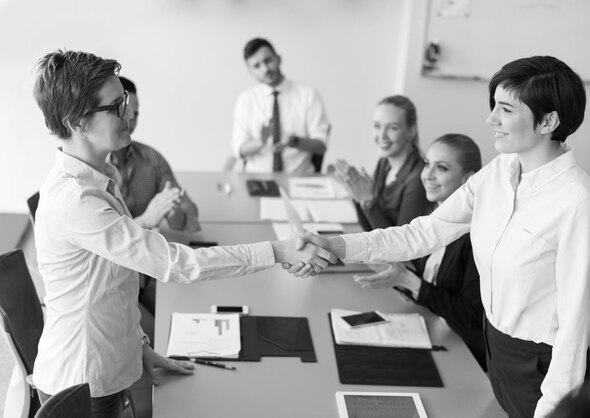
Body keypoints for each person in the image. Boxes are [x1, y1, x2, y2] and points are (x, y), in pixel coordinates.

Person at [291, 56, 590, 418]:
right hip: (495, 346)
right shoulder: (500, 172)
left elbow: (575, 326)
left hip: (541, 363)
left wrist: (555, 411)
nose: (491, 119)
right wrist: (338, 246)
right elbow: (423, 233)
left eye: (505, 109)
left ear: (548, 121)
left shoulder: (579, 205)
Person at [31, 49, 334, 417]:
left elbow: (112, 285)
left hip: (106, 365)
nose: (127, 115)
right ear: (77, 122)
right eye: (115, 108)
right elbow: (172, 263)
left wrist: (139, 346)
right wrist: (277, 251)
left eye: (123, 101)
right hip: (83, 384)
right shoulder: (76, 200)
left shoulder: (100, 177)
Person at [353, 133, 486, 371]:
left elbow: (470, 317)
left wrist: (411, 282)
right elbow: (430, 284)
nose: (428, 175)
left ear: (469, 180)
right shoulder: (431, 213)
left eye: (442, 168)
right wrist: (404, 281)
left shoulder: (476, 236)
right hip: (432, 329)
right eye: (427, 164)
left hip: (464, 354)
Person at [109, 76, 201, 234]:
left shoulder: (152, 158)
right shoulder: (92, 168)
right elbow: (105, 239)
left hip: (150, 253)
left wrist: (175, 211)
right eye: (123, 111)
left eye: (135, 114)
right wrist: (145, 220)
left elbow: (187, 220)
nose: (130, 120)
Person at [331, 95, 429, 231]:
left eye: (393, 128)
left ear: (410, 131)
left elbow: (400, 246)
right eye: (377, 126)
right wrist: (357, 195)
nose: (382, 135)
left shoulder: (418, 179)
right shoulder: (384, 163)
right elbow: (370, 228)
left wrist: (368, 201)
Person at [232, 38, 330, 174]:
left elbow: (321, 146)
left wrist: (294, 141)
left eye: (268, 61)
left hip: (298, 178)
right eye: (257, 66)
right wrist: (261, 141)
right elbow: (239, 150)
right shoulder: (246, 100)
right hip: (258, 178)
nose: (265, 69)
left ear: (278, 59)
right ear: (250, 71)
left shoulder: (308, 95)